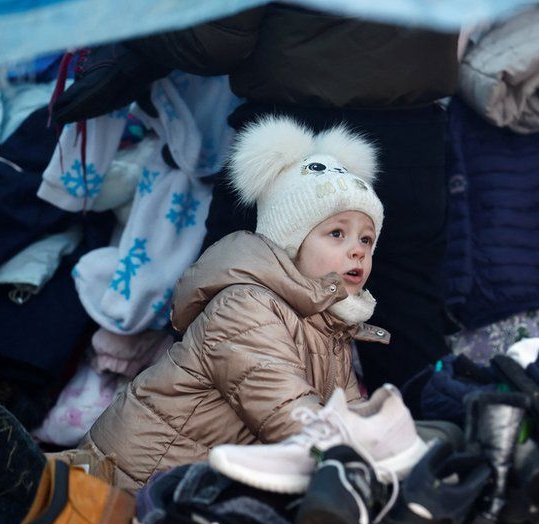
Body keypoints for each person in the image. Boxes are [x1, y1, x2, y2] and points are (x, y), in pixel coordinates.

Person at [52, 4, 457, 391]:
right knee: (408, 340)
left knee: (225, 332)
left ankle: (223, 458)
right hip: (413, 137)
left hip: (292, 140)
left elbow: (215, 40)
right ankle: (435, 449)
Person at [83, 116, 390, 491]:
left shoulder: (327, 326)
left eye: (367, 239)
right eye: (337, 234)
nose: (357, 250)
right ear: (290, 241)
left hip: (189, 485)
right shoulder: (247, 307)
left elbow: (343, 409)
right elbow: (286, 414)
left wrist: (390, 434)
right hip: (131, 482)